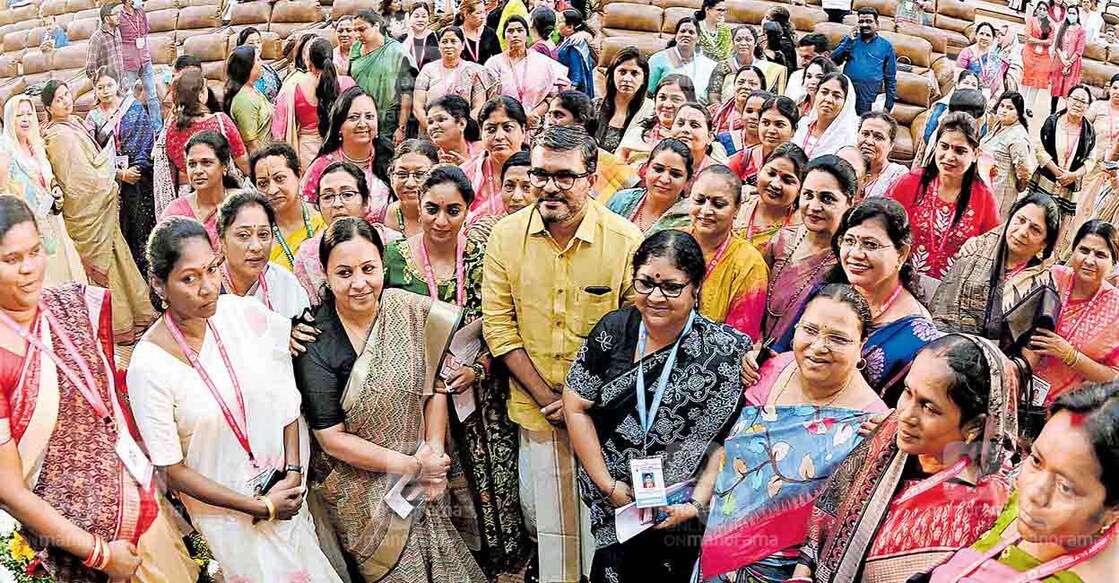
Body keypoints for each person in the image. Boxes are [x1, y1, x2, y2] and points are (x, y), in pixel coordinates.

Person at [128, 217, 341, 582]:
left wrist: (291, 474)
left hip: (284, 497)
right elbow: (172, 470)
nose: (208, 287)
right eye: (189, 278)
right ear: (159, 285)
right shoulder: (148, 366)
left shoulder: (245, 315)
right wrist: (258, 505)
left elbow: (285, 396)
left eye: (211, 269)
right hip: (227, 520)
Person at [0, 196, 197, 582]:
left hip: (139, 503)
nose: (28, 269)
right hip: (77, 546)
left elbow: (111, 404)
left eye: (35, 252)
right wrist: (101, 554)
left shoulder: (69, 306)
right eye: (11, 260)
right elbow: (10, 491)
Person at [483, 125, 644, 582]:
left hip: (604, 416)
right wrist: (547, 399)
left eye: (564, 176)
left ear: (591, 176)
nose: (549, 187)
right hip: (537, 412)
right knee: (550, 531)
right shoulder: (506, 236)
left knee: (604, 530)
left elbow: (637, 331)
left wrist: (582, 401)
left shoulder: (624, 240)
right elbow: (499, 326)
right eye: (540, 175)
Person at [292, 217, 487, 581]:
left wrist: (430, 451)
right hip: (361, 489)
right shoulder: (315, 341)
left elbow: (436, 386)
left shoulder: (411, 311)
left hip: (424, 469)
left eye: (369, 268)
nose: (359, 283)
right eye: (344, 273)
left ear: (383, 264)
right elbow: (330, 438)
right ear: (326, 275)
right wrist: (411, 467)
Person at [564, 230, 750, 581]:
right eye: (645, 283)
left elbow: (727, 440)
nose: (655, 297)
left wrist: (693, 504)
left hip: (681, 508)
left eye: (671, 287)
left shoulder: (726, 352)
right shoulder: (615, 329)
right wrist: (607, 485)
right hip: (618, 499)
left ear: (696, 286)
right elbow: (575, 406)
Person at [793, 333, 1018, 582]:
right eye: (908, 392)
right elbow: (829, 511)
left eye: (929, 407)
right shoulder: (888, 439)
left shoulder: (982, 505)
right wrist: (801, 575)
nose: (906, 415)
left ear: (974, 426)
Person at [701, 285, 888, 582]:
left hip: (786, 572)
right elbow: (729, 451)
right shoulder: (770, 368)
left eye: (838, 338)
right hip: (717, 550)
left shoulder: (871, 423)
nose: (817, 346)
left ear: (862, 345)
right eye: (809, 330)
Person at [925, 381, 1119, 582]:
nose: (1033, 493)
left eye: (1065, 488)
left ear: (1112, 511)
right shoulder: (1021, 508)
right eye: (1036, 460)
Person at [40, 80, 154, 343]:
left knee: (120, 259)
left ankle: (136, 319)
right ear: (48, 107)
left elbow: (92, 162)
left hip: (102, 204)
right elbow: (78, 182)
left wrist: (107, 177)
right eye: (59, 99)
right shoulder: (58, 137)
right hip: (88, 212)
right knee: (106, 267)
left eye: (67, 94)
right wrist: (110, 183)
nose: (66, 101)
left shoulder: (75, 124)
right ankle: (116, 327)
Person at [829, 198, 938, 399]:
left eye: (870, 244)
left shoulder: (917, 334)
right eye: (849, 241)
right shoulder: (832, 294)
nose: (855, 253)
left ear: (901, 254)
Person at [931, 192, 1061, 352]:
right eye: (1020, 220)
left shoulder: (1042, 287)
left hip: (993, 365)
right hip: (940, 343)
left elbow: (1032, 348)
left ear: (1043, 244)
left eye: (1035, 229)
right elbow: (942, 306)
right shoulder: (977, 250)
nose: (1022, 232)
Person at [889, 112, 1000, 283]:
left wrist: (977, 245)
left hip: (950, 293)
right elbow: (883, 223)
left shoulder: (984, 198)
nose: (949, 156)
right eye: (944, 146)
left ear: (975, 154)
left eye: (960, 150)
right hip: (901, 284)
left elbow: (992, 249)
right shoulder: (911, 183)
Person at [764, 155, 856, 349]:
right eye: (808, 195)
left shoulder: (848, 261)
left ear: (850, 201)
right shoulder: (781, 241)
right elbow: (754, 299)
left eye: (827, 198)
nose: (814, 207)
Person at [1026, 220, 1119, 404]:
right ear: (1073, 250)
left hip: (1069, 408)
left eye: (1100, 255)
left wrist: (1069, 354)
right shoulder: (1051, 277)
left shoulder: (1116, 307)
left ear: (1114, 262)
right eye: (1084, 250)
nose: (1089, 260)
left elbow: (1114, 378)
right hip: (1018, 385)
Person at [0, 96, 84, 287]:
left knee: (63, 268)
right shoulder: (4, 150)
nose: (25, 119)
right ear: (9, 118)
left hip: (50, 218)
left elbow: (47, 175)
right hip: (25, 224)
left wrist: (54, 188)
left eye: (29, 114)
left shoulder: (35, 144)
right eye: (19, 115)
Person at [87, 69, 158, 276]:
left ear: (117, 84)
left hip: (139, 177)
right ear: (95, 90)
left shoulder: (132, 106)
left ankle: (152, 273)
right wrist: (119, 174)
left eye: (109, 85)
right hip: (112, 182)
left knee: (143, 228)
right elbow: (94, 154)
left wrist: (136, 167)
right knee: (124, 231)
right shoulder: (93, 117)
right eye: (100, 87)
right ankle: (133, 277)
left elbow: (147, 138)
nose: (105, 91)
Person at [688, 165, 768, 339]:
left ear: (737, 208)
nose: (706, 211)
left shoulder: (750, 265)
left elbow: (739, 339)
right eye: (699, 200)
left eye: (718, 204)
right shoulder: (670, 242)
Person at [215, 191, 311, 321]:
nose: (256, 246)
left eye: (263, 234)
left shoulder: (285, 283)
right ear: (222, 240)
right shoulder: (208, 287)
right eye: (243, 235)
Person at [301, 87, 394, 221]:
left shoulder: (391, 161)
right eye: (353, 117)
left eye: (369, 117)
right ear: (339, 125)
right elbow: (308, 215)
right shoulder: (321, 167)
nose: (362, 124)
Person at [292, 162, 376, 302]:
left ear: (366, 201)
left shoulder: (390, 242)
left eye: (347, 194)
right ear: (317, 205)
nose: (337, 204)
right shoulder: (307, 255)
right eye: (327, 196)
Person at [271, 39, 355, 172]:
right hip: (342, 148)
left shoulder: (293, 87)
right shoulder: (348, 85)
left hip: (307, 153)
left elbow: (279, 131)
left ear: (309, 62)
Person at [164, 69, 250, 195]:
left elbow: (173, 162)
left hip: (186, 192)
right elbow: (241, 159)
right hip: (218, 190)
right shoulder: (220, 122)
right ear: (200, 95)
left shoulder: (172, 128)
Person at [545, 91, 640, 204]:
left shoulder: (607, 162)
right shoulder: (542, 157)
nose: (550, 122)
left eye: (558, 115)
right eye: (549, 115)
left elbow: (634, 199)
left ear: (581, 121)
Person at [1033, 84, 1096, 251]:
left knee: (1058, 223)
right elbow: (1039, 149)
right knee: (1038, 215)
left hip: (1069, 186)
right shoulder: (1052, 122)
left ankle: (1048, 256)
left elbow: (1091, 160)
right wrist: (1056, 170)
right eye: (1075, 99)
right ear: (1067, 100)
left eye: (1083, 101)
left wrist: (1074, 175)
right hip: (1046, 179)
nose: (1078, 103)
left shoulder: (1089, 132)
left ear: (1088, 106)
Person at [161, 131, 243, 247]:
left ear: (225, 166)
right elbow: (164, 259)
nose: (198, 171)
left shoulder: (243, 203)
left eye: (206, 163)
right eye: (192, 164)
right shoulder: (175, 213)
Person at [252, 143, 326, 271]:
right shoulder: (257, 236)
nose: (272, 190)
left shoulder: (324, 218)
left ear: (299, 174)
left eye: (279, 178)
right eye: (263, 183)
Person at [486, 15, 564, 131]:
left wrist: (533, 114)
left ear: (527, 34)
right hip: (504, 124)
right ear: (504, 36)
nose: (515, 35)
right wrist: (517, 118)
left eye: (520, 30)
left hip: (536, 123)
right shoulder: (494, 64)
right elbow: (491, 100)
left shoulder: (543, 62)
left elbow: (552, 97)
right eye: (510, 31)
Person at [350, 10, 417, 144]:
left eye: (362, 29)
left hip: (389, 122)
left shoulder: (397, 52)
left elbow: (407, 92)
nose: (357, 35)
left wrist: (401, 127)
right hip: (360, 117)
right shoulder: (356, 48)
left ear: (376, 26)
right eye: (355, 30)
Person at [607, 138, 693, 234]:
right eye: (658, 169)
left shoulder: (688, 221)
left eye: (675, 174)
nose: (664, 180)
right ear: (646, 169)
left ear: (687, 181)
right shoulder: (621, 200)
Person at [462, 96, 527, 222]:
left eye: (507, 128)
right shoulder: (466, 174)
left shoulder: (538, 174)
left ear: (523, 131)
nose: (499, 136)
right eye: (490, 129)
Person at [414, 27, 487, 137]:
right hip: (431, 134)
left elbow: (479, 106)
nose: (448, 45)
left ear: (462, 45)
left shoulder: (473, 71)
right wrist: (432, 127)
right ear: (439, 46)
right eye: (444, 42)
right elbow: (417, 106)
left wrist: (458, 128)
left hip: (462, 134)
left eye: (453, 41)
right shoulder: (428, 69)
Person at [735, 141, 805, 251]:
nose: (775, 184)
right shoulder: (738, 205)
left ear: (800, 190)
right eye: (771, 174)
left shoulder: (800, 229)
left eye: (787, 180)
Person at [830, 7, 897, 115]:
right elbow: (833, 61)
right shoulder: (850, 39)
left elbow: (890, 79)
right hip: (846, 92)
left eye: (869, 21)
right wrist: (849, 41)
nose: (864, 25)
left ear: (877, 24)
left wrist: (888, 106)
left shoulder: (886, 46)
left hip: (869, 96)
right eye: (861, 21)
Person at [618, 74, 696, 165]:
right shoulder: (637, 134)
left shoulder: (693, 141)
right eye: (662, 98)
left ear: (690, 103)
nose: (667, 105)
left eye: (675, 99)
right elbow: (615, 169)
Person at [981, 92, 1035, 219]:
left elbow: (1025, 171)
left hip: (1000, 192)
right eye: (1002, 106)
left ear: (1019, 112)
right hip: (985, 185)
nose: (1004, 110)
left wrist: (1016, 187)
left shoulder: (1018, 137)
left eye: (1010, 108)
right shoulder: (998, 125)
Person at [727, 95, 799, 186]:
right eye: (766, 123)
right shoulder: (742, 160)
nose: (771, 130)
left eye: (779, 125)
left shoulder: (799, 165)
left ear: (794, 130)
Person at [707, 26, 786, 106]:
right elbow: (714, 95)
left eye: (748, 40)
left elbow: (773, 98)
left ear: (755, 43)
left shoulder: (770, 69)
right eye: (738, 40)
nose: (743, 43)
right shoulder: (723, 66)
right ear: (733, 43)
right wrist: (724, 113)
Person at [648, 18, 718, 102]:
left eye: (691, 32)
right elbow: (648, 92)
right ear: (676, 36)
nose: (686, 35)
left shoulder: (708, 64)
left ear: (698, 38)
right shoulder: (658, 59)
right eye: (682, 31)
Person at [596, 47, 649, 155]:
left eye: (634, 73)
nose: (627, 79)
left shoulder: (650, 113)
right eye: (622, 72)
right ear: (612, 74)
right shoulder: (594, 107)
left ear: (644, 78)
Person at [792, 73, 858, 158]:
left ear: (846, 103)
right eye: (824, 92)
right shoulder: (802, 125)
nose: (828, 99)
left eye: (836, 96)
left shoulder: (847, 140)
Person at [385, 139, 440, 239]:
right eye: (402, 174)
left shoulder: (454, 217)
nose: (410, 183)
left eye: (420, 175)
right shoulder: (378, 218)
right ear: (391, 177)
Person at [224, 46, 273, 156]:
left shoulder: (252, 88)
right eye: (258, 60)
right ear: (247, 66)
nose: (262, 63)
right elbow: (252, 145)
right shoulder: (244, 100)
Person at [118, 0, 159, 126]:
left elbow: (145, 31)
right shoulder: (119, 15)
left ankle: (156, 127)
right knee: (129, 99)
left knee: (152, 96)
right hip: (129, 63)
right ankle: (136, 128)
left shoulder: (141, 11)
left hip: (145, 60)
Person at [957, 22, 1015, 100]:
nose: (984, 37)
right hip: (965, 95)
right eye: (981, 33)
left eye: (988, 35)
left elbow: (1000, 87)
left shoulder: (996, 59)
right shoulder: (966, 52)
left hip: (987, 99)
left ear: (993, 39)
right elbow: (957, 77)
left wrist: (994, 100)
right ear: (976, 35)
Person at [858, 112, 908, 199]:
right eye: (865, 134)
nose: (869, 141)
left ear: (891, 145)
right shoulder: (845, 165)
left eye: (878, 137)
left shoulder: (898, 175)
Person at [1050, 4, 1087, 115]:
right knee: (1056, 88)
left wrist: (1068, 63)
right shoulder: (1062, 27)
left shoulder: (1081, 31)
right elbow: (1057, 46)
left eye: (1073, 13)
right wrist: (1063, 60)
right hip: (1059, 62)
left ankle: (1066, 113)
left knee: (1069, 90)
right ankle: (1052, 113)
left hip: (1073, 65)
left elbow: (1079, 51)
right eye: (1069, 13)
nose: (1071, 15)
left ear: (1077, 15)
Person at [426, 94, 483, 166]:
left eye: (440, 119)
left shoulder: (483, 151)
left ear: (461, 124)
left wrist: (466, 167)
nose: (433, 126)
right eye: (430, 122)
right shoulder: (430, 160)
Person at [709, 65, 765, 138]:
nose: (745, 86)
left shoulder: (767, 116)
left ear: (762, 89)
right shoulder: (714, 112)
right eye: (741, 82)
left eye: (752, 84)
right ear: (734, 86)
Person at [1022, 1, 1055, 118]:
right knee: (1026, 79)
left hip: (1043, 57)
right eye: (1040, 9)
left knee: (1037, 82)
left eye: (1045, 9)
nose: (1042, 11)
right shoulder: (1031, 20)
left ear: (1048, 12)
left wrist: (1036, 40)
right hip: (1029, 53)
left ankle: (1029, 107)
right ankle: (1021, 104)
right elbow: (1027, 36)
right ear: (1036, 10)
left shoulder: (1050, 25)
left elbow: (1050, 41)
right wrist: (1041, 42)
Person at [715, 89, 769, 157]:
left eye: (760, 113)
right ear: (742, 114)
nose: (754, 117)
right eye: (749, 111)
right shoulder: (723, 140)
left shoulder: (775, 147)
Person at [237, 27, 283, 103]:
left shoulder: (268, 68)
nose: (256, 46)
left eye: (258, 42)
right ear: (241, 47)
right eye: (251, 43)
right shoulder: (238, 72)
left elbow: (280, 91)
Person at [557, 9, 595, 98]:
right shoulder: (568, 38)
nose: (557, 24)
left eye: (560, 22)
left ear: (570, 27)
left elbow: (576, 76)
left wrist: (566, 97)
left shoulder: (574, 45)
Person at [789, 56, 839, 120]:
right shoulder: (798, 103)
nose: (812, 81)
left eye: (819, 77)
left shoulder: (834, 108)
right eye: (809, 76)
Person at [85, 3, 123, 83]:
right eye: (115, 14)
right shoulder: (96, 38)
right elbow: (90, 70)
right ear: (107, 19)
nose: (119, 16)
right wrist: (102, 84)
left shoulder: (117, 31)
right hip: (108, 86)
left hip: (123, 84)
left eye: (119, 13)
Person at [460, 0, 502, 65]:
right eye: (478, 13)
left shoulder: (489, 33)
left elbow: (498, 59)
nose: (483, 17)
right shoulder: (456, 34)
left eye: (484, 12)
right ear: (466, 14)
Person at [402, 3, 440, 71]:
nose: (420, 20)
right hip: (408, 79)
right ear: (409, 18)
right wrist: (410, 37)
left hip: (431, 79)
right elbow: (398, 59)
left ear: (428, 18)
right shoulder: (403, 38)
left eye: (424, 16)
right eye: (416, 16)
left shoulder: (436, 36)